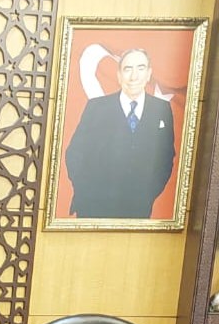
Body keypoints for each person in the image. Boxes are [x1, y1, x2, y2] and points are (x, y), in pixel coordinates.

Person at [64, 47, 176, 219]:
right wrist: (86, 191)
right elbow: (74, 153)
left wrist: (147, 194)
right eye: (127, 69)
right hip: (92, 208)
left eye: (140, 68)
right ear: (119, 75)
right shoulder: (97, 107)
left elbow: (166, 157)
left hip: (138, 209)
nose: (134, 76)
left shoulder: (162, 109)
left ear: (148, 74)